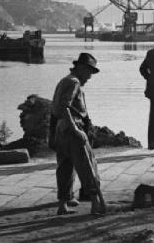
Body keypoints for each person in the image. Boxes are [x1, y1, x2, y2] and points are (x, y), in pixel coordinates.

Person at [51, 53, 105, 215]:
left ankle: (63, 205)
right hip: (72, 130)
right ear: (81, 68)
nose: (90, 77)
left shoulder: (65, 80)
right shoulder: (74, 83)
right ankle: (96, 203)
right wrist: (75, 129)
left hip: (61, 130)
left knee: (65, 168)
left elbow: (57, 109)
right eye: (89, 72)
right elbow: (64, 106)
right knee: (88, 165)